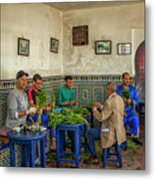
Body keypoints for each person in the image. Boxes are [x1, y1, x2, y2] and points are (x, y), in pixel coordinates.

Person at [85, 82, 126, 164]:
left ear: (109, 90)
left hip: (110, 132)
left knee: (88, 133)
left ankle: (93, 156)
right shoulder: (120, 99)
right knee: (93, 131)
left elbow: (101, 117)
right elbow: (113, 110)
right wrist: (101, 106)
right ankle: (106, 153)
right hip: (119, 131)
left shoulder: (109, 101)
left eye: (107, 90)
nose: (106, 91)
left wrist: (95, 110)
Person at [27, 73, 56, 150]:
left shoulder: (40, 91)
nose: (39, 85)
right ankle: (44, 149)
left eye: (40, 83)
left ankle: (53, 142)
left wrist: (49, 106)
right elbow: (32, 105)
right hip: (33, 115)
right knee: (45, 122)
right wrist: (43, 108)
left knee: (53, 120)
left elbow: (42, 105)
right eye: (37, 83)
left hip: (41, 114)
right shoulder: (30, 91)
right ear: (33, 82)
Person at [116, 72, 142, 145]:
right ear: (122, 79)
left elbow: (137, 100)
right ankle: (122, 139)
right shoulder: (118, 89)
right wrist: (122, 101)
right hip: (121, 111)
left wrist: (131, 101)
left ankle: (134, 137)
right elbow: (115, 100)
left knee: (135, 118)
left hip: (130, 111)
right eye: (126, 79)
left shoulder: (133, 89)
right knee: (121, 121)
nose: (128, 80)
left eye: (129, 79)